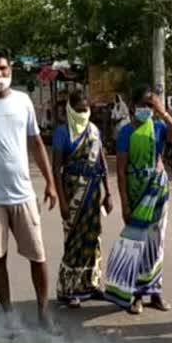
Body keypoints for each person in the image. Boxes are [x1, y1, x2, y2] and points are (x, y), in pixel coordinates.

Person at [0, 47, 59, 333]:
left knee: (38, 255)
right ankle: (8, 316)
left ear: (11, 69)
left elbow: (36, 143)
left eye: (3, 68)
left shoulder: (23, 102)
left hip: (23, 193)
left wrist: (51, 183)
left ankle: (44, 312)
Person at [104, 85, 172, 314]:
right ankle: (137, 295)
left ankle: (155, 292)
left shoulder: (158, 127)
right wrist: (125, 204)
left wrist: (163, 112)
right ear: (133, 107)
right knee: (137, 243)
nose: (147, 110)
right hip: (136, 191)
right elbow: (120, 171)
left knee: (156, 243)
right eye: (144, 105)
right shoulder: (126, 132)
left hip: (157, 191)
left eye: (151, 105)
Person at [52, 91, 113, 307]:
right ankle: (70, 289)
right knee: (74, 241)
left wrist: (109, 192)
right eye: (78, 110)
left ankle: (91, 284)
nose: (82, 114)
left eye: (85, 110)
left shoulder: (94, 131)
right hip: (72, 191)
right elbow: (56, 169)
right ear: (70, 110)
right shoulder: (62, 133)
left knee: (93, 238)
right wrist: (62, 201)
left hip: (93, 191)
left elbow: (102, 162)